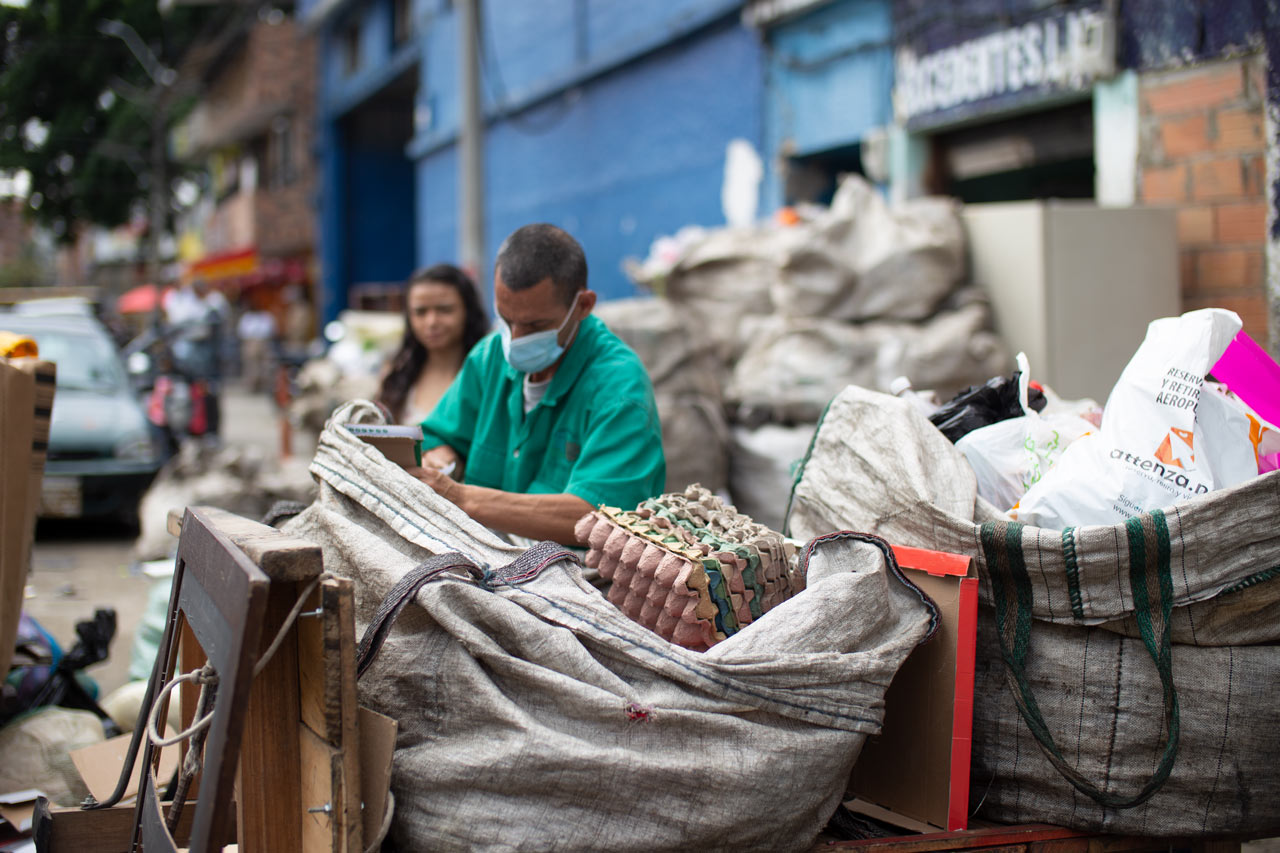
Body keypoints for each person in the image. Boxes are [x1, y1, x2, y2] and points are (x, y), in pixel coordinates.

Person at [414, 224, 665, 546]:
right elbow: (437, 435)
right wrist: (440, 458)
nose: (516, 340)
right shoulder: (489, 358)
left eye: (536, 325)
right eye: (506, 320)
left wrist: (462, 497)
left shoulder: (619, 390)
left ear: (583, 306)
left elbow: (599, 517)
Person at [376, 264, 489, 425]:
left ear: (468, 311)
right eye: (420, 312)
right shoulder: (396, 373)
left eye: (445, 310)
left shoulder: (486, 372)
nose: (432, 322)